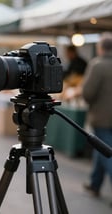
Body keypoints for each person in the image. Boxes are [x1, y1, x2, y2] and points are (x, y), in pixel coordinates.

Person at [81, 32, 112, 201]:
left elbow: (87, 93)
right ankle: (95, 184)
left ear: (101, 48)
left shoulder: (97, 65)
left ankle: (95, 184)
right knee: (102, 149)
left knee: (108, 154)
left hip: (101, 117)